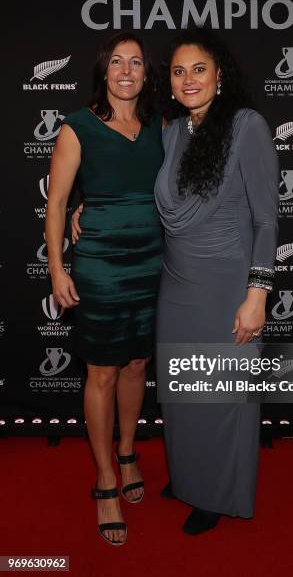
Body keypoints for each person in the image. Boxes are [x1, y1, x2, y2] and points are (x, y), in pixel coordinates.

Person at [154, 28, 279, 534]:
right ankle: (187, 476)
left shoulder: (246, 126)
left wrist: (257, 296)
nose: (188, 80)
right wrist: (82, 207)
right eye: (178, 71)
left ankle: (215, 494)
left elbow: (267, 220)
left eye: (198, 69)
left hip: (228, 286)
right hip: (177, 283)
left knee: (220, 396)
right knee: (183, 394)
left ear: (220, 74)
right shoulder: (170, 132)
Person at [45, 31, 164, 546]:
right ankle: (105, 478)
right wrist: (57, 268)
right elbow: (56, 204)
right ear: (104, 70)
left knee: (137, 363)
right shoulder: (78, 128)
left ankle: (129, 450)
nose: (126, 70)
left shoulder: (163, 126)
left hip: (154, 264)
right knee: (102, 372)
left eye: (136, 63)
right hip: (98, 267)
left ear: (145, 75)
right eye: (117, 61)